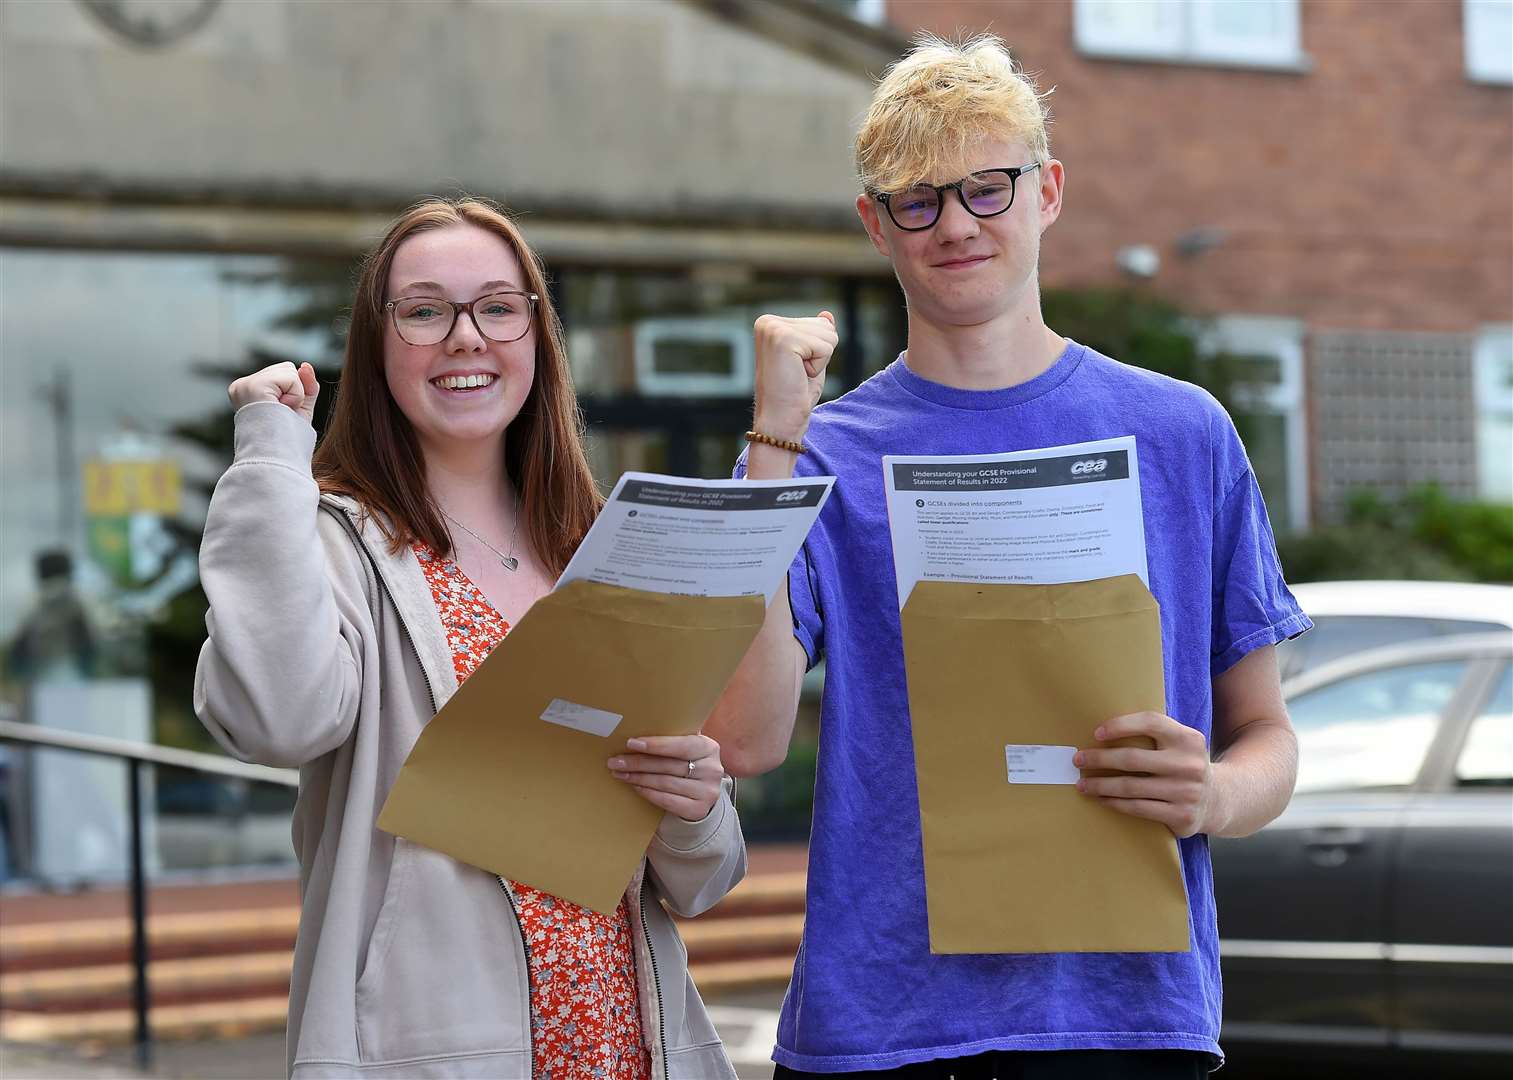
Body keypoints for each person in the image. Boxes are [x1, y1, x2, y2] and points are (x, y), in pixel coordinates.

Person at [705, 36, 1311, 1080]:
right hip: (882, 1027)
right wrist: (772, 442)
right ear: (874, 223)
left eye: (986, 189)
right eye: (916, 200)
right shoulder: (816, 453)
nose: (953, 225)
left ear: (1049, 192)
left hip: (1124, 1020)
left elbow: (1266, 737)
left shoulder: (1179, 433)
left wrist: (1210, 796)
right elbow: (747, 739)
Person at [195, 197, 746, 1080]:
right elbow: (278, 719)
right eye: (424, 310)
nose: (466, 337)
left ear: (536, 335)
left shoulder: (600, 549)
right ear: (378, 348)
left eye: (498, 305)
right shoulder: (338, 540)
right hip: (431, 1050)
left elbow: (702, 880)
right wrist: (269, 461)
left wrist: (693, 803)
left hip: (623, 1046)